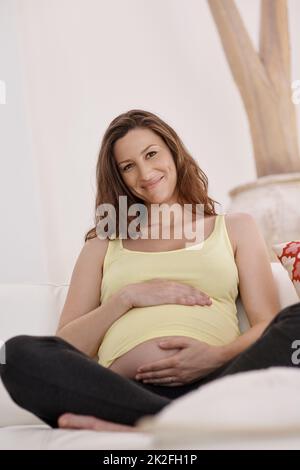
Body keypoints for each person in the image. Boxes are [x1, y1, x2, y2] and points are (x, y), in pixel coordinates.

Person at [1, 109, 299, 433]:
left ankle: (153, 423)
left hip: (219, 382)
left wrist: (216, 356)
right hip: (122, 389)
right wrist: (126, 298)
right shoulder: (103, 244)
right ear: (119, 178)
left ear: (173, 151)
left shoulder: (235, 227)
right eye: (128, 167)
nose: (145, 173)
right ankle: (178, 422)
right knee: (15, 354)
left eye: (151, 154)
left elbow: (267, 324)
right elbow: (66, 345)